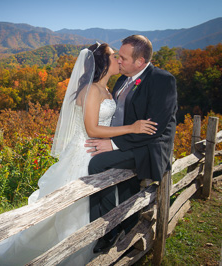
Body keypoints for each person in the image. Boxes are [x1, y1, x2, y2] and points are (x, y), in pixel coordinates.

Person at [0, 42, 157, 266]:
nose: (118, 59)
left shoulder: (108, 89)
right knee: (72, 211)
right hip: (84, 152)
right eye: (113, 56)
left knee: (91, 206)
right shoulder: (90, 90)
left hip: (99, 152)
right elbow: (92, 129)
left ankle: (94, 246)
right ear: (102, 63)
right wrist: (132, 128)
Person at [85, 35, 178, 253]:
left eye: (123, 58)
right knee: (127, 187)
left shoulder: (162, 80)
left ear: (140, 62)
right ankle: (126, 225)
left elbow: (152, 128)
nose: (118, 60)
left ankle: (106, 231)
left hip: (149, 147)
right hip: (130, 142)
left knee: (98, 164)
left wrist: (113, 144)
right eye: (117, 56)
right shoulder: (121, 80)